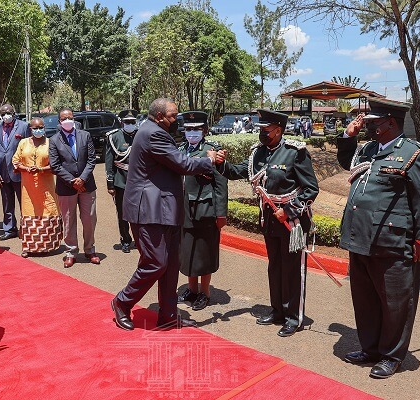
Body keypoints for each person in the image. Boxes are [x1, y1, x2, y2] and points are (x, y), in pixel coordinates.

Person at [337, 97, 420, 379]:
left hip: (392, 242)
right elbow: (347, 162)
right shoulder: (369, 149)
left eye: (373, 123)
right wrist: (348, 137)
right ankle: (370, 348)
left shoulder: (412, 154)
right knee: (365, 298)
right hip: (360, 238)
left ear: (390, 123)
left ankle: (392, 355)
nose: (368, 127)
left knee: (395, 302)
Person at [111, 98, 217, 331]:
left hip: (164, 210)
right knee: (155, 263)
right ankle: (122, 301)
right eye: (172, 116)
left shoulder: (154, 130)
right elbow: (183, 164)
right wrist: (207, 161)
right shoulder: (153, 134)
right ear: (159, 116)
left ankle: (167, 314)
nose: (176, 120)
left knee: (170, 264)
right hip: (148, 210)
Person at [216, 109, 319, 337]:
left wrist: (289, 209)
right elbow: (238, 171)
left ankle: (294, 317)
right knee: (275, 266)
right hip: (270, 219)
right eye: (260, 130)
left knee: (292, 269)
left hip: (293, 221)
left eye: (266, 130)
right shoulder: (258, 153)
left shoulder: (295, 152)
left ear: (278, 130)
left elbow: (311, 189)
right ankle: (277, 310)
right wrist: (222, 164)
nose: (262, 134)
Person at [176, 111, 228, 311]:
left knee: (204, 252)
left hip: (206, 210)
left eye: (196, 129)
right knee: (188, 250)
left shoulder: (212, 151)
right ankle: (192, 288)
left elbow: (220, 184)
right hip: (184, 210)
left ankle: (205, 293)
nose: (192, 133)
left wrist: (221, 213)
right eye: (188, 129)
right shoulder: (180, 149)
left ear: (205, 130)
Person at [48, 107, 99, 267]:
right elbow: (55, 165)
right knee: (69, 221)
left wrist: (82, 179)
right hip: (66, 187)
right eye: (64, 118)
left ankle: (90, 250)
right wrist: (72, 181)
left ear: (74, 118)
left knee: (89, 219)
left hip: (87, 186)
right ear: (59, 122)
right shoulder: (54, 140)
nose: (67, 120)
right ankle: (71, 251)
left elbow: (92, 159)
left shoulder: (85, 136)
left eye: (70, 117)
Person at [13, 117, 63, 258]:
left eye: (40, 127)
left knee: (48, 210)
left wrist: (41, 169)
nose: (38, 130)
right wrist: (26, 168)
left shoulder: (50, 143)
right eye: (35, 128)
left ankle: (47, 245)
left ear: (44, 128)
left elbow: (56, 164)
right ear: (30, 129)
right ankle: (28, 246)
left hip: (46, 186)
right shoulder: (23, 142)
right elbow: (16, 161)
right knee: (29, 212)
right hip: (28, 188)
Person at [0, 104, 29, 241]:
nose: (6, 115)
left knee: (24, 202)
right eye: (3, 113)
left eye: (8, 112)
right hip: (3, 173)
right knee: (7, 203)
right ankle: (10, 229)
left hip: (20, 172)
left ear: (14, 113)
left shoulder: (24, 127)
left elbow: (29, 147)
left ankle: (26, 228)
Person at [105, 109, 138, 253]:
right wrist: (110, 183)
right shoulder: (114, 137)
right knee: (123, 212)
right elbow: (109, 161)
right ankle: (125, 240)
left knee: (140, 212)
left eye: (132, 122)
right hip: (121, 180)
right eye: (127, 122)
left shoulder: (140, 136)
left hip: (139, 180)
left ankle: (140, 239)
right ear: (121, 122)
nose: (130, 124)